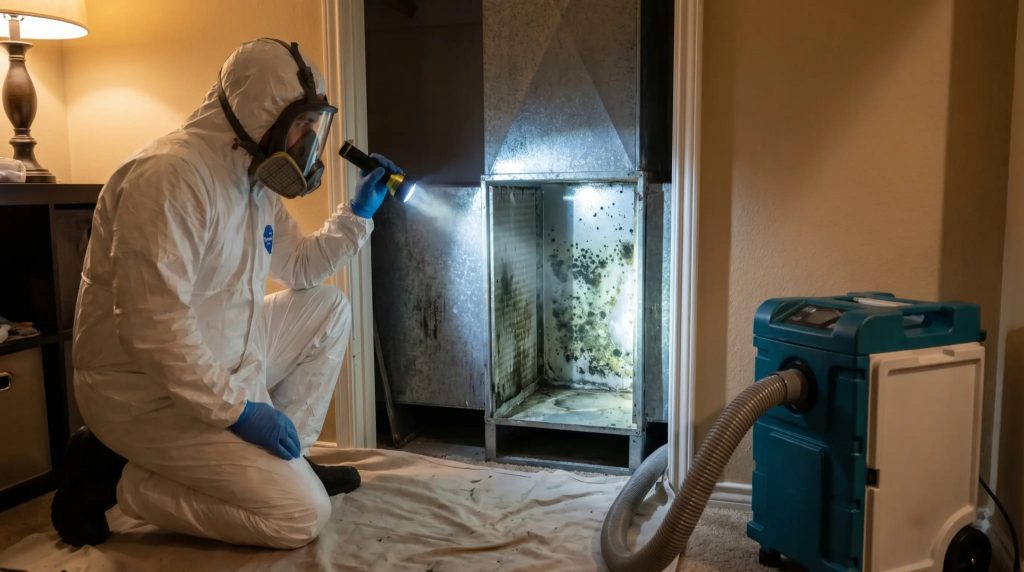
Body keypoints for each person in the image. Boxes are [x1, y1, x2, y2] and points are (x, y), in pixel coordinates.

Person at [49, 38, 400, 549]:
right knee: (300, 517)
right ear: (260, 113)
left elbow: (301, 267)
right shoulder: (169, 178)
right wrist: (238, 412)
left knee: (327, 308)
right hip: (144, 393)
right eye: (302, 124)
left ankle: (289, 459)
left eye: (312, 125)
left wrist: (358, 213)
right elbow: (153, 332)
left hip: (221, 360)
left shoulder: (251, 179)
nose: (308, 141)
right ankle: (116, 475)